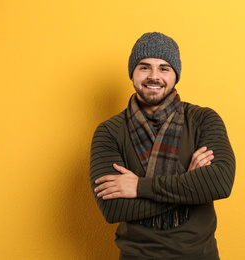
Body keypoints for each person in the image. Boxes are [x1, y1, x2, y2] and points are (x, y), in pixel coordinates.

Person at [90, 32, 236, 260]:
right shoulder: (109, 131)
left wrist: (139, 187)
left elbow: (220, 183)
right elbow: (113, 209)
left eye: (164, 68)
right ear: (132, 73)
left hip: (200, 255)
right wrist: (191, 185)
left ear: (175, 75)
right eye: (144, 67)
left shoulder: (203, 119)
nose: (154, 76)